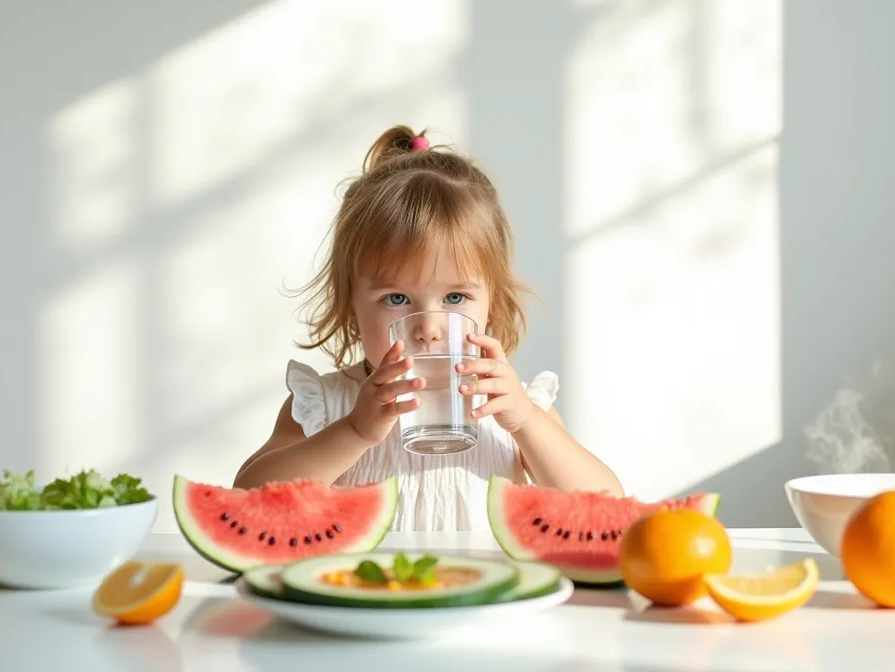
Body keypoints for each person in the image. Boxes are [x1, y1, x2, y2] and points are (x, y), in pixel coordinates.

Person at [234, 125, 623, 530]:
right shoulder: (326, 405)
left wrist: (525, 422)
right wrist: (354, 431)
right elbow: (244, 504)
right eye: (396, 299)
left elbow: (610, 510)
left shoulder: (516, 409)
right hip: (359, 592)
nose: (429, 329)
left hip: (488, 594)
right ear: (351, 306)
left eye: (455, 298)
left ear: (492, 303)